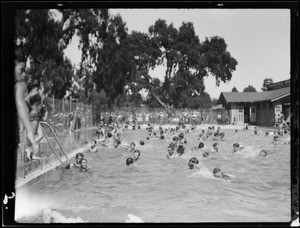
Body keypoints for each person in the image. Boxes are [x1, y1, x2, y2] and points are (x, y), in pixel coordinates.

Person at [14, 61, 39, 159]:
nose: (24, 74)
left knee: (32, 135)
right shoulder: (34, 91)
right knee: (35, 135)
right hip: (34, 114)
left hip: (31, 115)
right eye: (21, 70)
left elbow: (21, 102)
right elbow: (24, 101)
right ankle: (29, 153)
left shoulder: (21, 86)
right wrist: (31, 109)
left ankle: (30, 154)